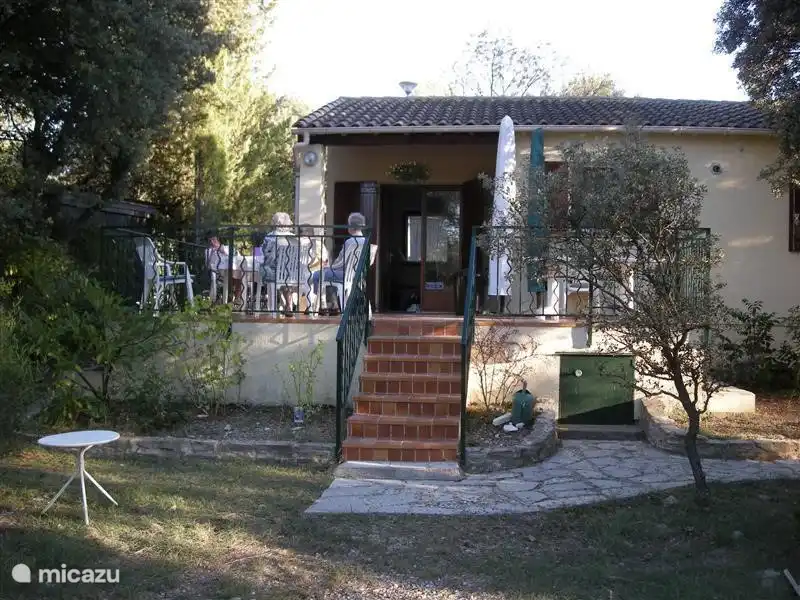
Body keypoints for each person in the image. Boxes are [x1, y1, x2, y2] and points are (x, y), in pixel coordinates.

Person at [310, 212, 373, 312]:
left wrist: (329, 267)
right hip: (358, 275)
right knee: (330, 276)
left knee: (318, 275)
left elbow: (340, 262)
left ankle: (324, 305)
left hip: (346, 276)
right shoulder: (366, 242)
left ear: (351, 226)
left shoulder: (350, 242)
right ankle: (334, 304)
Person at [261, 212, 295, 313]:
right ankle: (288, 305)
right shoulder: (294, 237)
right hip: (292, 272)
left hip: (274, 271)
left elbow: (265, 253)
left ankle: (271, 309)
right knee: (284, 278)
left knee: (263, 269)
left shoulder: (270, 237)